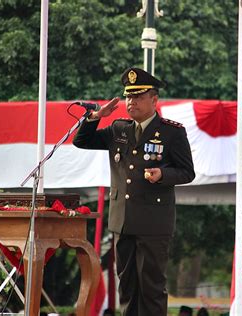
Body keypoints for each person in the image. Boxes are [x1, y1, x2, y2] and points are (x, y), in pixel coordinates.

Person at [73, 67, 195, 316]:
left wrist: (163, 175)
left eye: (138, 97)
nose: (131, 102)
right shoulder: (119, 129)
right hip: (122, 222)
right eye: (129, 97)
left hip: (154, 224)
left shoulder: (172, 132)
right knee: (127, 287)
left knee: (151, 288)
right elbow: (81, 141)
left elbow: (187, 172)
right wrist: (97, 115)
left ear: (154, 99)